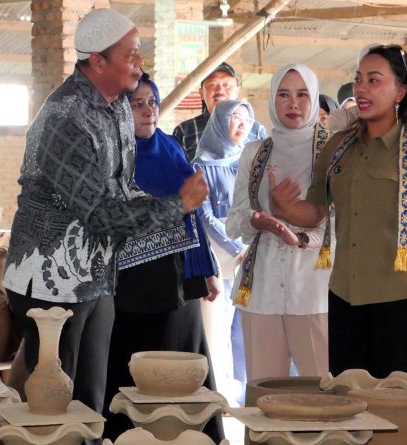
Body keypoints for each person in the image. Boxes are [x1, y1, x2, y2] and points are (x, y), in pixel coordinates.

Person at [3, 9, 209, 427]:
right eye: (131, 55)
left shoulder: (115, 109)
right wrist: (177, 205)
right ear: (97, 61)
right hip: (50, 283)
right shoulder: (66, 118)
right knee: (56, 408)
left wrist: (175, 217)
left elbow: (122, 189)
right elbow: (101, 214)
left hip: (96, 277)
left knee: (92, 405)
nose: (140, 63)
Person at [268, 46, 407, 396]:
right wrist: (285, 209)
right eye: (358, 80)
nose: (361, 89)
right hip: (346, 296)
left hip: (404, 299)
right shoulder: (339, 147)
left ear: (400, 91)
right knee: (350, 400)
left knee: (404, 405)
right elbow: (315, 211)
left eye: (374, 81)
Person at [102, 74, 224, 442]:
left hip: (179, 282)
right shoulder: (112, 157)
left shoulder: (170, 147)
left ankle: (189, 435)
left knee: (182, 362)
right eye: (137, 104)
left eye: (152, 102)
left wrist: (206, 270)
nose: (148, 110)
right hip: (133, 285)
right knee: (136, 367)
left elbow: (193, 210)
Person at [226, 64, 333, 382]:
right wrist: (260, 221)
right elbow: (235, 221)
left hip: (315, 290)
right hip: (262, 288)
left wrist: (298, 237)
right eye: (284, 95)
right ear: (272, 99)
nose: (293, 104)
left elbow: (341, 223)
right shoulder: (255, 153)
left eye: (302, 95)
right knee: (264, 392)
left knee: (324, 390)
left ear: (314, 98)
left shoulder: (333, 151)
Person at [192, 99, 255, 405]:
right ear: (219, 122)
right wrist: (236, 246)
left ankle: (245, 392)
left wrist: (250, 245)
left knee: (246, 330)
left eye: (246, 119)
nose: (242, 124)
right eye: (234, 118)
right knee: (217, 327)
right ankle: (220, 394)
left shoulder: (251, 161)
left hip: (250, 253)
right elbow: (204, 216)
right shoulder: (200, 166)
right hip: (219, 255)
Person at [172, 62, 267, 161]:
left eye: (227, 86)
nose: (220, 91)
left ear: (237, 92)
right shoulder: (184, 131)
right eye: (213, 85)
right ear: (201, 93)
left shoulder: (256, 131)